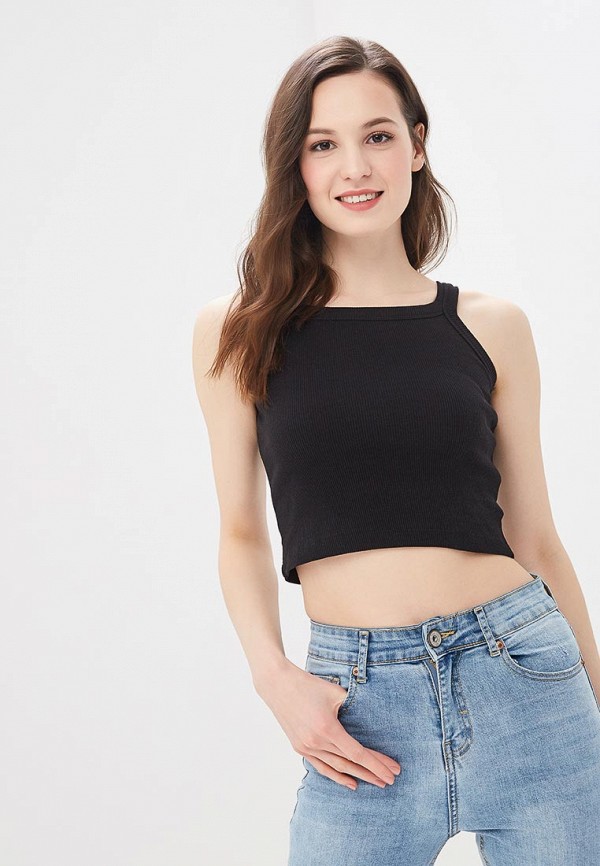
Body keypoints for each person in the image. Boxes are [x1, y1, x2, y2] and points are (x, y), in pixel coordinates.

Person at [192, 35, 600, 866]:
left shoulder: (491, 326)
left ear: (416, 144)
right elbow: (240, 531)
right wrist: (275, 679)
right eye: (323, 144)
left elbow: (536, 537)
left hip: (527, 681)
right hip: (358, 709)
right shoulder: (238, 331)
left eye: (377, 135)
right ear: (295, 165)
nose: (356, 167)